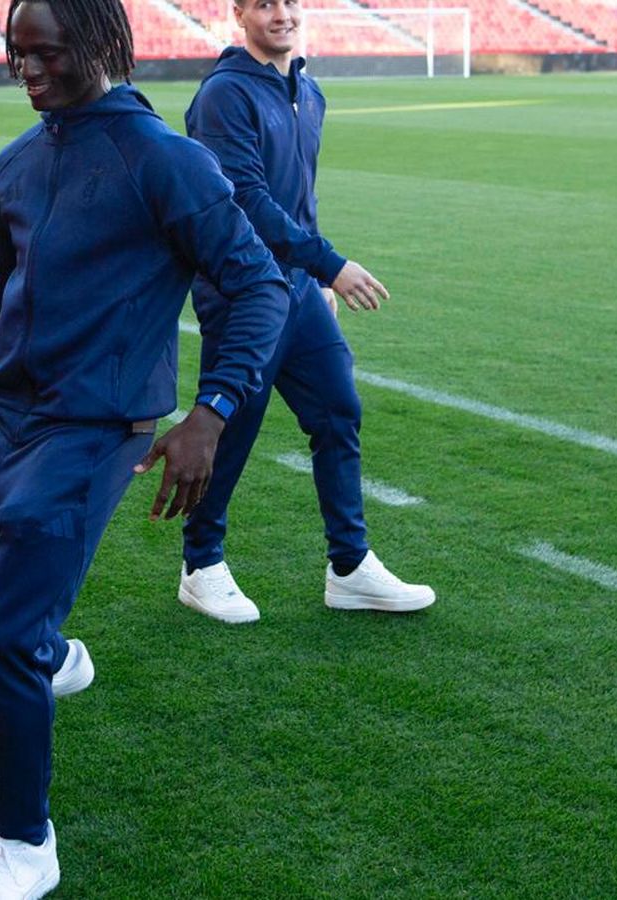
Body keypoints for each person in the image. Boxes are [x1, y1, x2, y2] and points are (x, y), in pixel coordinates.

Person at [0, 1, 291, 895]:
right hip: (2, 412)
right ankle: (50, 658)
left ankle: (25, 848)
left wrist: (212, 411)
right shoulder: (12, 165)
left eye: (44, 52)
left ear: (103, 45)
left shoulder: (165, 159)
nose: (27, 70)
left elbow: (259, 285)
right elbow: (16, 296)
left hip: (96, 425)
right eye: (15, 54)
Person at [175, 0, 435, 623]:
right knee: (231, 428)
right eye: (265, 4)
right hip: (243, 292)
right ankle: (200, 564)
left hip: (299, 292)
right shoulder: (225, 95)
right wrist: (332, 266)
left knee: (338, 411)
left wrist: (316, 283)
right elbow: (246, 201)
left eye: (290, 2)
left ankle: (349, 567)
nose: (282, 13)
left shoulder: (308, 89)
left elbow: (300, 196)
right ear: (240, 14)